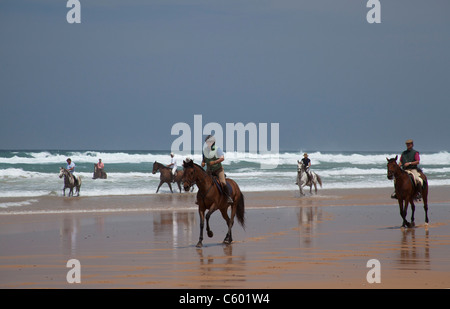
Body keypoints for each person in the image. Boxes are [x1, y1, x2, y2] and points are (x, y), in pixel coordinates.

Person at [202, 135, 233, 205]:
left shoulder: (217, 149)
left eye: (209, 141)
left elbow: (222, 158)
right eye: (207, 142)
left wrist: (215, 162)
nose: (208, 143)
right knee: (202, 182)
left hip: (218, 169)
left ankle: (228, 197)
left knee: (223, 183)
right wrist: (203, 163)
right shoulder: (205, 150)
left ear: (213, 142)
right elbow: (203, 159)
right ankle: (199, 198)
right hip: (209, 170)